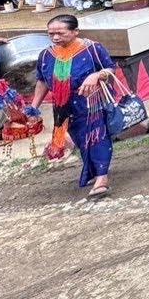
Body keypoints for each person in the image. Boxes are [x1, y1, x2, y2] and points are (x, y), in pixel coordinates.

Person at [28, 15, 118, 198]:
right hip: (64, 107)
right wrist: (33, 107)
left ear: (75, 31)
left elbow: (110, 69)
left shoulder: (92, 48)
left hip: (92, 102)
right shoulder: (46, 55)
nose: (55, 38)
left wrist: (96, 76)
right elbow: (42, 81)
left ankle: (102, 178)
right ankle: (93, 170)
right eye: (51, 34)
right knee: (81, 140)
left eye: (60, 33)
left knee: (97, 137)